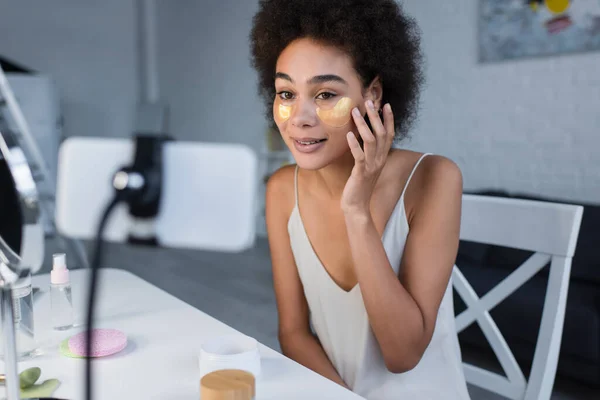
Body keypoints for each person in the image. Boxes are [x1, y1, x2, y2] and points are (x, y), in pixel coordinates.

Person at [250, 1, 471, 399]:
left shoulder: (435, 178)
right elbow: (294, 334)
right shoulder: (282, 190)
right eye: (286, 92)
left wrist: (357, 211)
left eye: (325, 94)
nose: (299, 117)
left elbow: (402, 354)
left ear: (372, 94)